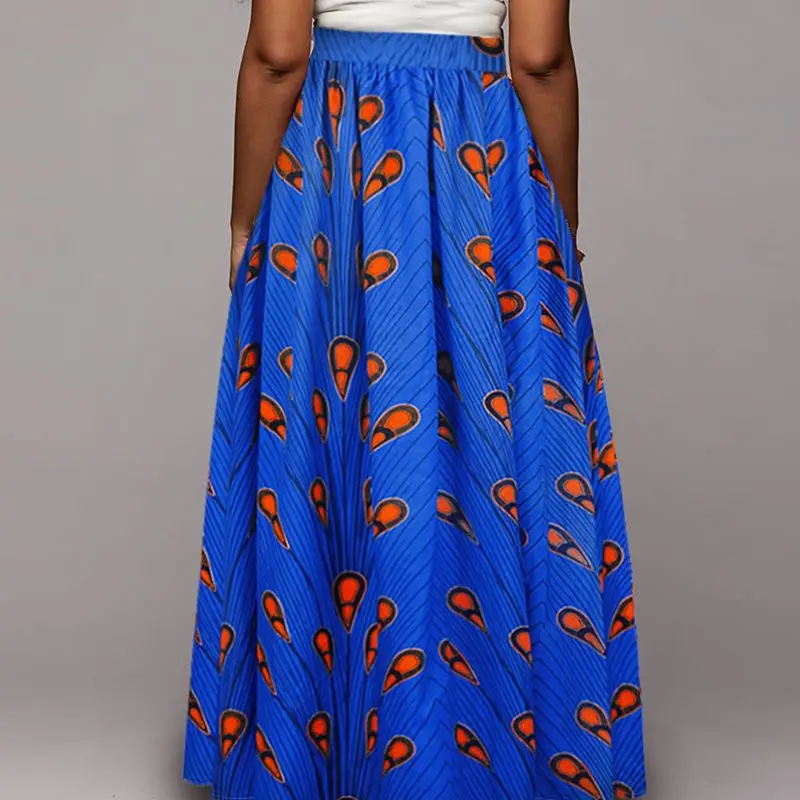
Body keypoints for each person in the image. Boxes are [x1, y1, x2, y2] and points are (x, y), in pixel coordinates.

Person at [183, 1, 646, 798]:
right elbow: (539, 59)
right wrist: (556, 223)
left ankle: (320, 755)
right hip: (477, 148)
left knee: (333, 455)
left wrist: (242, 220)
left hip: (337, 157)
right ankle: (491, 755)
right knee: (490, 453)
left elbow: (277, 54)